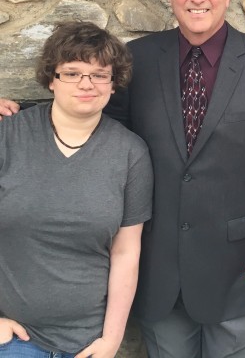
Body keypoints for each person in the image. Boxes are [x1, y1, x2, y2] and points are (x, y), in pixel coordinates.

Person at [1, 0, 245, 358]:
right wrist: (19, 113)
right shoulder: (140, 58)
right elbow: (94, 117)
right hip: (159, 268)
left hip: (239, 269)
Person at [0, 21, 153, 358]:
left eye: (99, 74)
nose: (87, 84)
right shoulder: (8, 137)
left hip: (87, 344)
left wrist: (111, 340)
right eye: (72, 73)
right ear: (51, 79)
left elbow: (126, 253)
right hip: (13, 342)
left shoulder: (130, 153)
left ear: (113, 84)